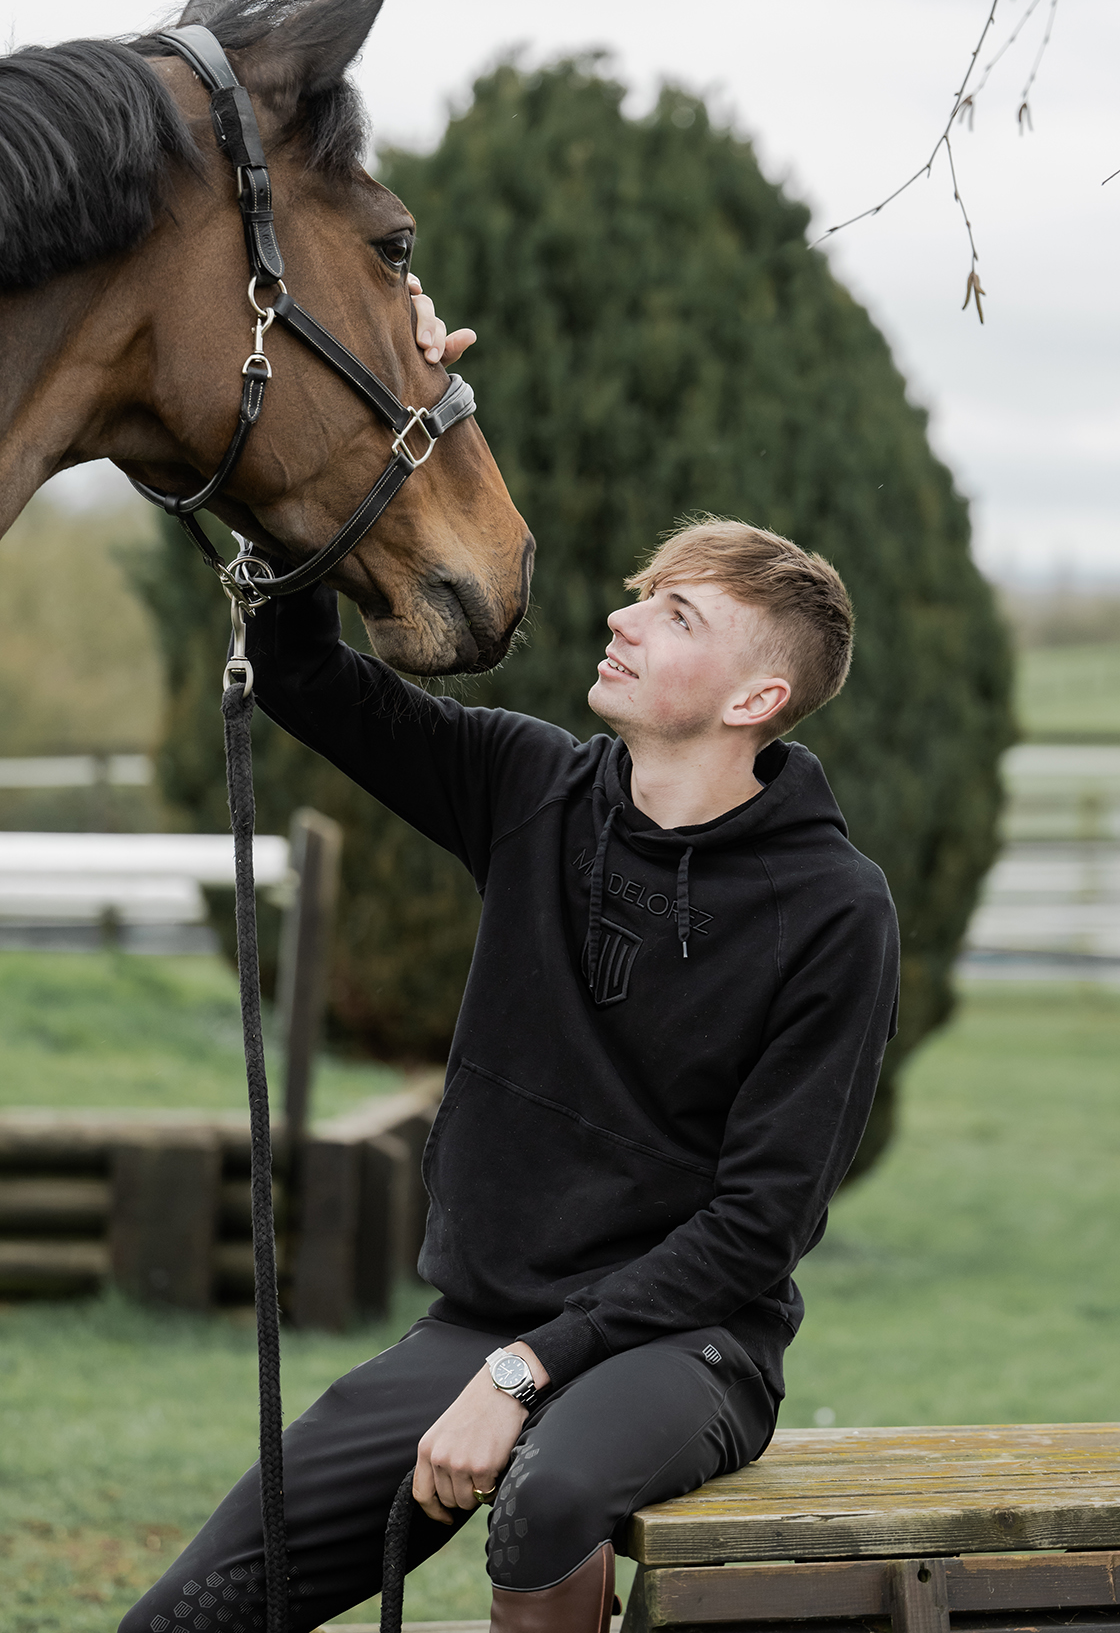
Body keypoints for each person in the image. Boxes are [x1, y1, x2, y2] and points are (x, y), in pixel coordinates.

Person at [121, 284, 900, 1633]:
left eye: (676, 615)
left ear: (754, 698)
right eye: (642, 594)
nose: (625, 617)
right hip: (476, 1323)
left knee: (548, 1490)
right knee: (191, 1613)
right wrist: (358, 415)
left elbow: (756, 1226)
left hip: (687, 1348)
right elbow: (309, 679)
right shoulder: (530, 787)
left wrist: (530, 1368)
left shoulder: (835, 908)